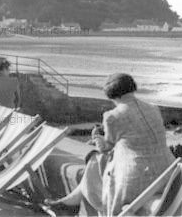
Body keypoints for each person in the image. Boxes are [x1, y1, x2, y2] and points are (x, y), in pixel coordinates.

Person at [46, 73, 175, 216]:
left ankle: (73, 201)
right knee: (105, 158)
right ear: (132, 88)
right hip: (169, 173)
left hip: (139, 181)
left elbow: (105, 148)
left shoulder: (112, 116)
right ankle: (72, 200)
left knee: (97, 158)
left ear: (112, 95)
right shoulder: (153, 108)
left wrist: (96, 137)